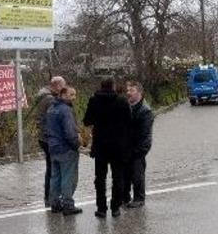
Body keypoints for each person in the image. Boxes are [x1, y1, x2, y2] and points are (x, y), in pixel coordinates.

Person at [83, 78, 131, 219]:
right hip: (118, 145)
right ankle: (115, 207)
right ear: (113, 86)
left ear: (101, 86)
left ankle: (101, 208)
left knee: (100, 178)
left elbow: (87, 120)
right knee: (118, 177)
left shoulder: (94, 100)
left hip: (100, 145)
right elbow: (129, 121)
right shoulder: (122, 101)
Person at [46, 87, 82, 216]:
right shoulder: (66, 110)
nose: (74, 97)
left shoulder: (51, 108)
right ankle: (68, 205)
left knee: (55, 177)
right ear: (63, 95)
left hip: (53, 147)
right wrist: (77, 145)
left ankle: (55, 204)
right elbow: (70, 132)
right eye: (71, 95)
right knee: (68, 178)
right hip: (66, 148)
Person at [32, 76, 65, 207]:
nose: (64, 89)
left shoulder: (43, 95)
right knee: (53, 169)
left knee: (50, 167)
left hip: (43, 137)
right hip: (49, 138)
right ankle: (51, 197)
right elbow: (54, 119)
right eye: (63, 85)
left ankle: (50, 197)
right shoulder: (50, 99)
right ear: (56, 85)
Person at [124, 81, 154, 211]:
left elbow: (143, 134)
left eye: (132, 90)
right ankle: (125, 196)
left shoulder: (145, 111)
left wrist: (137, 149)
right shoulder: (127, 106)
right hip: (126, 147)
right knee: (125, 174)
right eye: (128, 90)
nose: (128, 93)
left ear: (140, 93)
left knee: (137, 174)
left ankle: (139, 198)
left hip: (138, 148)